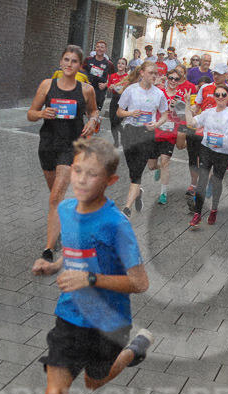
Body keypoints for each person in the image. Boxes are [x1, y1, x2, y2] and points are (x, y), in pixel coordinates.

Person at [11, 137, 152, 394]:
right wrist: (55, 266)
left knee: (94, 380)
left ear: (110, 180)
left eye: (92, 174)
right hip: (70, 316)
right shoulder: (68, 209)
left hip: (110, 322)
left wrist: (91, 280)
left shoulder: (116, 224)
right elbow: (75, 255)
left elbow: (140, 283)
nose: (82, 180)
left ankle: (132, 350)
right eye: (77, 171)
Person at [28, 45, 101, 262]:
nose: (69, 65)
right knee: (56, 196)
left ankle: (49, 249)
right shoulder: (46, 85)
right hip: (48, 144)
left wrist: (93, 121)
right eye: (66, 60)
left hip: (72, 146)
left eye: (74, 61)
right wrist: (42, 113)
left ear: (80, 66)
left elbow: (94, 111)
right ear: (60, 62)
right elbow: (30, 114)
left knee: (55, 197)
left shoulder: (86, 90)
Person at [183, 83, 228, 226]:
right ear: (214, 97)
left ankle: (214, 209)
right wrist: (187, 104)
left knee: (217, 182)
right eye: (217, 95)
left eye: (224, 95)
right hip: (206, 149)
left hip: (222, 153)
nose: (220, 97)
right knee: (202, 181)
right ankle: (197, 214)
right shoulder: (208, 112)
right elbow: (191, 122)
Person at [116, 61, 167, 217]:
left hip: (147, 134)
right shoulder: (131, 90)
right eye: (151, 72)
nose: (154, 75)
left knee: (138, 171)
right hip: (130, 132)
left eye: (155, 73)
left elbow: (165, 114)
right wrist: (130, 114)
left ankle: (127, 208)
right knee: (133, 171)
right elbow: (119, 112)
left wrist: (157, 123)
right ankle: (138, 193)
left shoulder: (158, 93)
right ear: (142, 73)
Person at [151, 67, 189, 205]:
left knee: (165, 162)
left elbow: (185, 116)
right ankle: (157, 169)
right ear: (167, 78)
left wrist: (180, 108)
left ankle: (163, 194)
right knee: (151, 165)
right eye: (171, 78)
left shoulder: (181, 95)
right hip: (156, 131)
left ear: (180, 81)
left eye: (176, 79)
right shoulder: (159, 92)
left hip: (170, 133)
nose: (173, 81)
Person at [83, 41, 115, 112]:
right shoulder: (88, 60)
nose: (99, 49)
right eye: (98, 47)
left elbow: (113, 77)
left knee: (95, 113)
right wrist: (85, 82)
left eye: (102, 47)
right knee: (84, 112)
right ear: (95, 48)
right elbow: (81, 71)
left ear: (105, 50)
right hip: (87, 89)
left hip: (99, 92)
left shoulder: (109, 64)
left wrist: (106, 84)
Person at [106, 58, 129, 148]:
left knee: (117, 121)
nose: (120, 65)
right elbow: (108, 89)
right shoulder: (112, 76)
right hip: (115, 99)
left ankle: (123, 135)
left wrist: (122, 88)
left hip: (123, 100)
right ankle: (116, 142)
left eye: (123, 64)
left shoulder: (128, 77)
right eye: (119, 63)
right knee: (112, 122)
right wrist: (110, 87)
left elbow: (129, 90)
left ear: (126, 66)